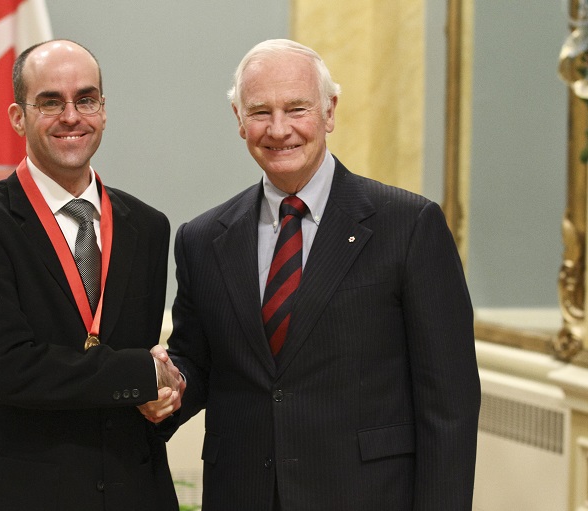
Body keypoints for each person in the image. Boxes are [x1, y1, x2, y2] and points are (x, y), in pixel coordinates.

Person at [163, 39, 481, 510]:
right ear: (238, 121)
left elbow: (449, 405)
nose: (278, 129)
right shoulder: (202, 239)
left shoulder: (408, 227)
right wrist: (167, 384)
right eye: (259, 112)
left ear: (329, 112)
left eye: (296, 108)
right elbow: (197, 364)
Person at [0, 39, 183, 511]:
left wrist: (164, 398)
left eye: (86, 99)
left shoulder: (148, 227)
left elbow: (142, 355)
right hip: (22, 492)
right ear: (17, 117)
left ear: (103, 111)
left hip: (136, 489)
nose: (72, 116)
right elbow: (9, 369)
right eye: (51, 102)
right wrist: (140, 375)